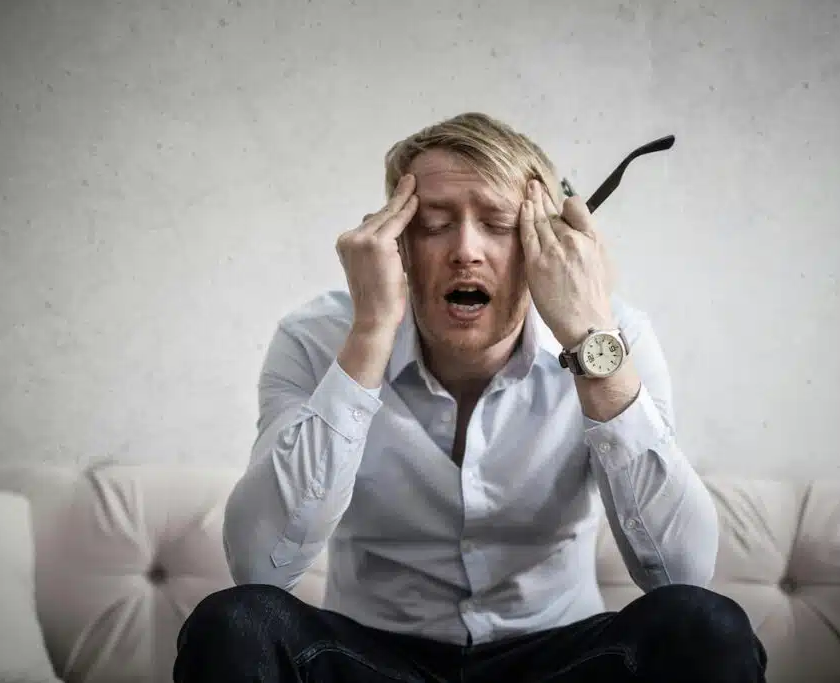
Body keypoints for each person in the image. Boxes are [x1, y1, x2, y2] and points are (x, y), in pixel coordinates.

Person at [174, 112, 767, 682]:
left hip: (559, 661)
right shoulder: (316, 338)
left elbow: (684, 573)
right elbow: (258, 566)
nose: (465, 250)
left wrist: (590, 338)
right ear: (398, 246)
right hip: (371, 659)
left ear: (545, 245)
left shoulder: (615, 339)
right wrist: (369, 335)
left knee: (705, 626)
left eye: (500, 224)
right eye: (433, 225)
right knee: (234, 625)